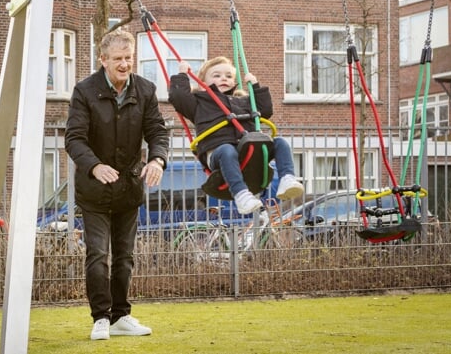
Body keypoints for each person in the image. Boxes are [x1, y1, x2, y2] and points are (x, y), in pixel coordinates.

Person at [65, 28, 169, 341]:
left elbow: (157, 132)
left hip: (128, 189)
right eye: (118, 59)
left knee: (125, 257)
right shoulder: (85, 91)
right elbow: (74, 138)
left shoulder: (145, 90)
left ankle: (121, 316)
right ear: (103, 60)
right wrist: (94, 166)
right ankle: (100, 318)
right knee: (98, 255)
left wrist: (157, 160)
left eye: (129, 58)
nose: (124, 64)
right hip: (94, 191)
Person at [168, 57, 303, 214]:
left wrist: (256, 87)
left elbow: (265, 110)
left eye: (228, 76)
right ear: (201, 83)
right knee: (227, 150)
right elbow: (178, 98)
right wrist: (182, 74)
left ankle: (287, 178)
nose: (223, 78)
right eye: (216, 75)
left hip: (249, 150)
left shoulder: (244, 101)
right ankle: (241, 195)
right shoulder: (199, 103)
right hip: (218, 153)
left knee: (280, 142)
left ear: (234, 82)